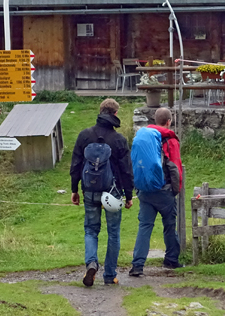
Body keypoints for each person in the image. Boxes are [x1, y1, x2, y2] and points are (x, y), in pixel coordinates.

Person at [70, 98, 134, 286]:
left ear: (100, 111)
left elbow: (76, 164)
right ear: (115, 114)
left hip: (90, 191)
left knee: (91, 230)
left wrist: (75, 189)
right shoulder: (119, 140)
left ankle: (91, 263)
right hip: (113, 193)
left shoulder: (84, 136)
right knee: (113, 233)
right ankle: (110, 275)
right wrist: (129, 195)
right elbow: (126, 170)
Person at [129, 107, 183, 275]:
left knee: (145, 226)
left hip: (145, 189)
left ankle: (137, 265)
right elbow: (175, 165)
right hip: (164, 190)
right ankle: (171, 259)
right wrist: (176, 189)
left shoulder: (144, 135)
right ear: (169, 122)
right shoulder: (169, 139)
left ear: (155, 120)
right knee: (169, 225)